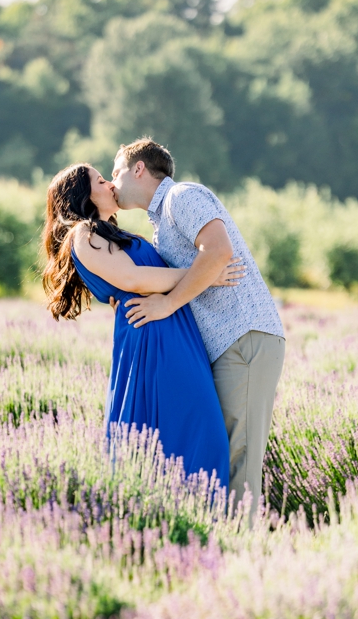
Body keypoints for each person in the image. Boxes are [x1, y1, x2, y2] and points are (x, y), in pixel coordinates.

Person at [109, 138, 286, 526]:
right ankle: (223, 545)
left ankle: (242, 554)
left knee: (239, 454)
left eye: (116, 172)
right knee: (221, 452)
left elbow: (217, 251)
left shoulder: (181, 197)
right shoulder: (161, 226)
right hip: (228, 345)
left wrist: (168, 303)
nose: (112, 183)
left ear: (138, 169)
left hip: (245, 337)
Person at [41, 162, 242, 487]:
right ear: (81, 195)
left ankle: (199, 524)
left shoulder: (111, 235)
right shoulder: (83, 234)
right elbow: (133, 279)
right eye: (100, 180)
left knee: (198, 432)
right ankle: (170, 525)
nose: (110, 185)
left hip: (170, 328)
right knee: (193, 432)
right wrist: (208, 274)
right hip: (153, 338)